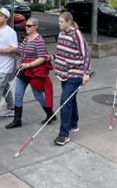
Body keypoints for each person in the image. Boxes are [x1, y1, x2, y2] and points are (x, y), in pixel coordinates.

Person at [46, 12, 90, 146]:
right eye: (58, 21)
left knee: (64, 102)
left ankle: (64, 134)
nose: (59, 24)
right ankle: (73, 124)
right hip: (63, 73)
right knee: (71, 100)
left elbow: (86, 54)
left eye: (61, 22)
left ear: (69, 21)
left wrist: (86, 73)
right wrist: (50, 57)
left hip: (75, 74)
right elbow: (60, 52)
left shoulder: (76, 34)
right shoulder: (61, 34)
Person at [5, 18, 55, 129]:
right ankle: (17, 120)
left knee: (38, 96)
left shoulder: (39, 40)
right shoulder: (27, 38)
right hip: (24, 72)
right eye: (26, 25)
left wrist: (28, 65)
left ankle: (50, 114)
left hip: (34, 73)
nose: (26, 27)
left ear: (35, 27)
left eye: (29, 26)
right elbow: (22, 54)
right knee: (18, 95)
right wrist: (14, 50)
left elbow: (41, 58)